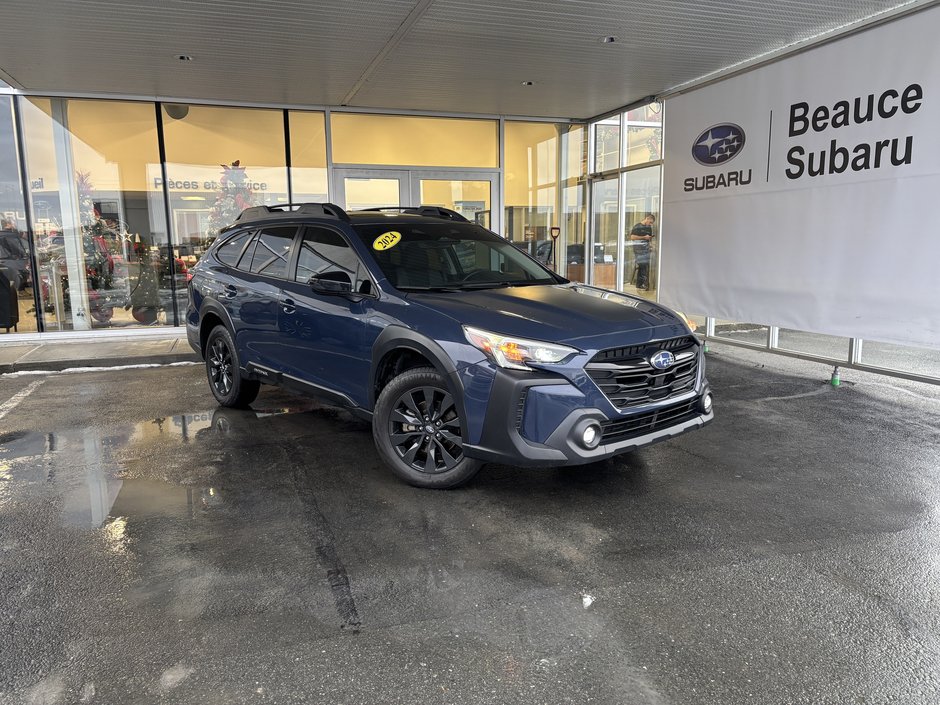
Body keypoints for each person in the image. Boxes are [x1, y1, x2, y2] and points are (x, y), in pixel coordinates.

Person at [629, 213, 656, 291]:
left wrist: (650, 245)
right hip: (638, 249)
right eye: (650, 222)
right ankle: (642, 284)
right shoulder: (637, 226)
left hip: (646, 248)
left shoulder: (649, 228)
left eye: (651, 223)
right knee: (643, 265)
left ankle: (640, 284)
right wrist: (644, 237)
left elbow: (649, 239)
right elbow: (632, 237)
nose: (650, 224)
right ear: (647, 219)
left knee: (644, 266)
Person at [0, 218, 29, 290]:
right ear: (8, 224)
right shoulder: (13, 236)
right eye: (13, 223)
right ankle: (20, 291)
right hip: (14, 263)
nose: (15, 225)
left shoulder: (4, 235)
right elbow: (20, 250)